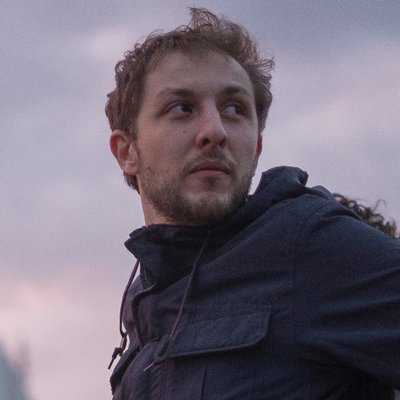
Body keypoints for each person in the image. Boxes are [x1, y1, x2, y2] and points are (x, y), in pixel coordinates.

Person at [106, 7, 400, 399]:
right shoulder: (142, 306)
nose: (215, 131)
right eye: (182, 108)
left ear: (257, 147)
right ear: (127, 151)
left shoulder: (307, 245)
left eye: (235, 109)